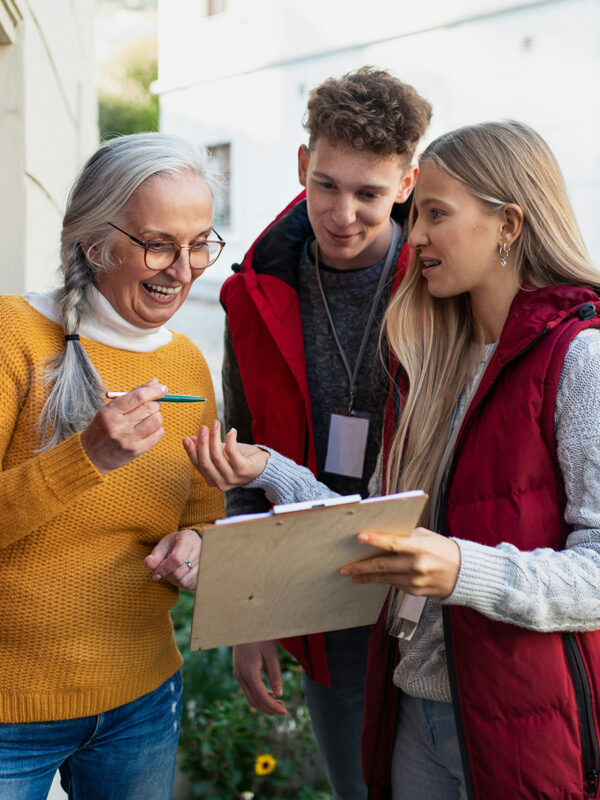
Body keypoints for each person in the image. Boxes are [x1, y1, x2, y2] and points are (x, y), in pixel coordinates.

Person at [186, 120, 600, 800]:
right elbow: (370, 524)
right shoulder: (429, 360)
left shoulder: (580, 361)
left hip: (520, 722)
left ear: (509, 225)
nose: (417, 235)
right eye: (418, 214)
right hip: (410, 705)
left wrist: (463, 568)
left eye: (435, 213)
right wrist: (268, 470)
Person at [220, 66, 431, 798]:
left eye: (369, 193)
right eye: (328, 186)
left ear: (407, 182)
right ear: (304, 166)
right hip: (323, 590)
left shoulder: (445, 283)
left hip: (438, 590)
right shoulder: (254, 293)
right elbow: (240, 462)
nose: (344, 213)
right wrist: (253, 614)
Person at [0, 132, 226, 800]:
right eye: (159, 243)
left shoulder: (187, 363)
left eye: (201, 244)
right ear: (95, 242)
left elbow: (203, 516)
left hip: (141, 701)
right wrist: (85, 458)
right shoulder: (15, 338)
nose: (183, 269)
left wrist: (195, 548)